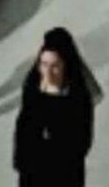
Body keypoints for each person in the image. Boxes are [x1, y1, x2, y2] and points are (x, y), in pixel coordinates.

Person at [14, 28, 95, 187]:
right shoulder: (33, 87)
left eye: (55, 66)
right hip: (33, 172)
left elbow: (82, 141)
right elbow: (23, 127)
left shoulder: (78, 97)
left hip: (65, 174)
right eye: (44, 64)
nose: (48, 73)